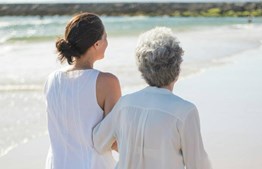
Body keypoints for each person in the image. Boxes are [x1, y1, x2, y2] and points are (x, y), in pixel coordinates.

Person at [93, 27, 211, 169]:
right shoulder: (185, 111)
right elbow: (198, 164)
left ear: (142, 69)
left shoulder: (125, 104)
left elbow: (99, 143)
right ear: (177, 68)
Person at [44, 13, 121, 169]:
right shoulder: (107, 82)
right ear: (97, 44)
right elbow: (113, 141)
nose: (107, 42)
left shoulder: (52, 79)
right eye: (105, 37)